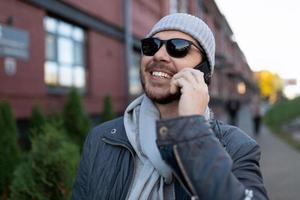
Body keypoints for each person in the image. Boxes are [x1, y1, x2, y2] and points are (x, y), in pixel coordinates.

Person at [72, 13, 269, 200]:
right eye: (151, 46)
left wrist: (191, 130)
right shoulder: (101, 139)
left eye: (178, 47)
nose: (159, 55)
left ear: (204, 72)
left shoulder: (237, 146)